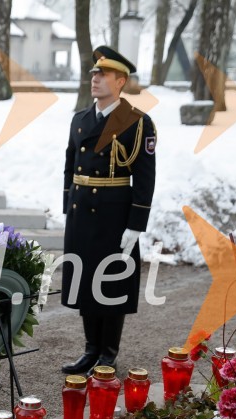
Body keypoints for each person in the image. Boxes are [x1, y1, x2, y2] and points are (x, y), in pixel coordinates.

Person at [61, 45, 156, 376]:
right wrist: (67, 207)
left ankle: (108, 353)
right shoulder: (80, 119)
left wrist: (136, 224)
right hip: (81, 212)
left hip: (113, 216)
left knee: (111, 282)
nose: (95, 79)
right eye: (94, 74)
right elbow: (69, 165)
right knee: (85, 279)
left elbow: (145, 177)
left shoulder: (137, 122)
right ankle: (90, 349)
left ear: (120, 81)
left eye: (103, 75)